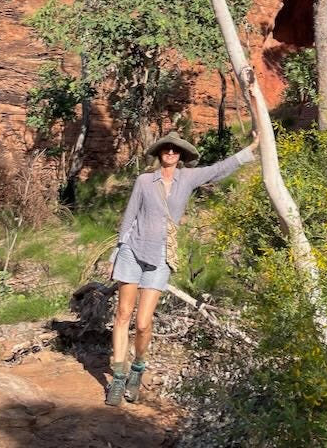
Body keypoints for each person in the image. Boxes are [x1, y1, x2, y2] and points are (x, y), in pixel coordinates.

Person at [105, 128, 259, 406]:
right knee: (123, 314)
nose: (171, 153)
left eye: (176, 150)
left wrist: (252, 149)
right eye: (167, 149)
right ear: (160, 152)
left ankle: (137, 368)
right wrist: (116, 252)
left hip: (162, 257)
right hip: (131, 251)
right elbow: (129, 216)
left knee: (143, 324)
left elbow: (218, 169)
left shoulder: (187, 178)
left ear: (182, 155)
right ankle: (118, 376)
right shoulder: (144, 181)